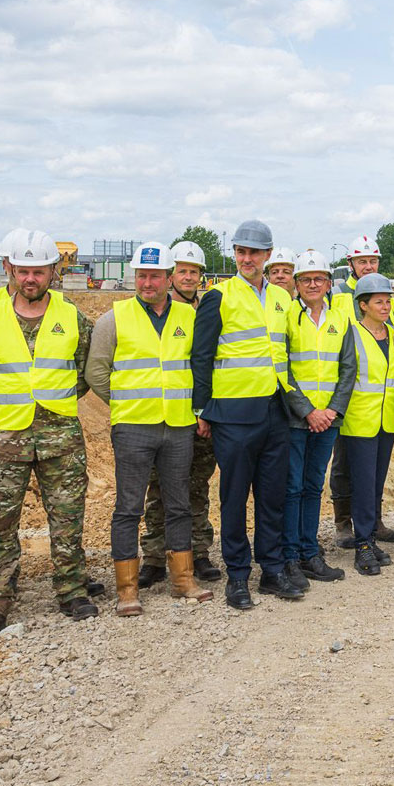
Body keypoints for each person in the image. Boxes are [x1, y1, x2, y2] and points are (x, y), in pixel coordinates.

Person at [0, 230, 96, 635]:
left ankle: (71, 590)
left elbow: (86, 370)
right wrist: (1, 404)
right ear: (9, 270)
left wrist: (58, 400)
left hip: (60, 439)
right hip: (2, 440)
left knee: (68, 520)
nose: (31, 279)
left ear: (54, 271)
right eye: (23, 271)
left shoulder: (72, 318)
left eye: (38, 271)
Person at [84, 242, 212, 616]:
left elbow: (200, 367)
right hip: (133, 428)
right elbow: (96, 372)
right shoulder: (114, 318)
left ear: (169, 278)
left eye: (155, 276)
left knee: (178, 504)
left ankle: (183, 579)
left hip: (178, 426)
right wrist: (125, 402)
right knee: (128, 507)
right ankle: (127, 590)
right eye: (142, 275)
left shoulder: (189, 317)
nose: (147, 283)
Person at [191, 219, 303, 610]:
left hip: (275, 410)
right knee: (235, 497)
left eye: (253, 252)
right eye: (240, 251)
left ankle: (271, 570)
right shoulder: (218, 297)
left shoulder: (282, 299)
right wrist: (202, 409)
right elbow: (201, 356)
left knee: (272, 497)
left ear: (268, 256)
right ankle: (237, 576)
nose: (245, 258)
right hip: (234, 414)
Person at [139, 239, 222, 585]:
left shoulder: (207, 309)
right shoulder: (157, 310)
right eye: (183, 271)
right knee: (159, 489)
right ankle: (156, 557)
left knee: (197, 485)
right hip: (164, 415)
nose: (188, 277)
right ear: (171, 275)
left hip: (199, 415)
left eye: (194, 272)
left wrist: (207, 410)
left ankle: (198, 552)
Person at [282, 249, 355, 587]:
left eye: (319, 279)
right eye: (306, 279)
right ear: (297, 283)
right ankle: (291, 555)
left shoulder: (341, 319)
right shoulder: (285, 318)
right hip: (296, 420)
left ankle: (311, 552)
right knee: (292, 487)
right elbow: (281, 368)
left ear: (329, 283)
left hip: (328, 420)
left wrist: (332, 411)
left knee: (313, 486)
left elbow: (348, 368)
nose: (313, 284)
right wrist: (308, 411)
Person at [328, 234, 390, 549]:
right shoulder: (337, 294)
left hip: (374, 400)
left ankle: (373, 520)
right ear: (351, 263)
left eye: (373, 260)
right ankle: (343, 522)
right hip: (343, 392)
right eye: (362, 261)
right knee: (343, 463)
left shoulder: (382, 291)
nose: (368, 266)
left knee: (374, 467)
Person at [343, 274, 394, 575]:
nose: (386, 305)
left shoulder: (393, 334)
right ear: (362, 304)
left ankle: (369, 536)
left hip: (386, 420)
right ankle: (362, 544)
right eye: (379, 301)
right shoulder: (351, 334)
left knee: (376, 482)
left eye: (388, 300)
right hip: (358, 421)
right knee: (363, 484)